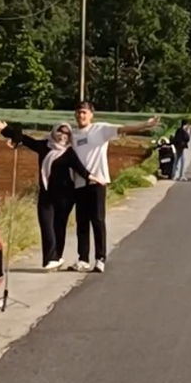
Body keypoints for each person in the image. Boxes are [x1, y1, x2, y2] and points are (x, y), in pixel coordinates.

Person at [69, 101, 160, 273]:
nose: (81, 116)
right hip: (80, 183)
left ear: (91, 115)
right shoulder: (73, 136)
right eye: (78, 112)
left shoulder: (100, 129)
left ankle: (100, 258)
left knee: (97, 220)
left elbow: (123, 129)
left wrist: (145, 125)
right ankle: (82, 259)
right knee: (82, 222)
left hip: (98, 182)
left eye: (84, 112)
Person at [0, 119, 92, 271]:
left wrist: (96, 180)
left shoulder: (69, 152)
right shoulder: (44, 147)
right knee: (46, 226)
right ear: (54, 131)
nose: (62, 135)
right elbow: (25, 140)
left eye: (66, 133)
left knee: (59, 226)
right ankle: (50, 259)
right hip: (46, 194)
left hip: (65, 197)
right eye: (60, 131)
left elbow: (81, 170)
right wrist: (6, 129)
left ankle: (56, 257)